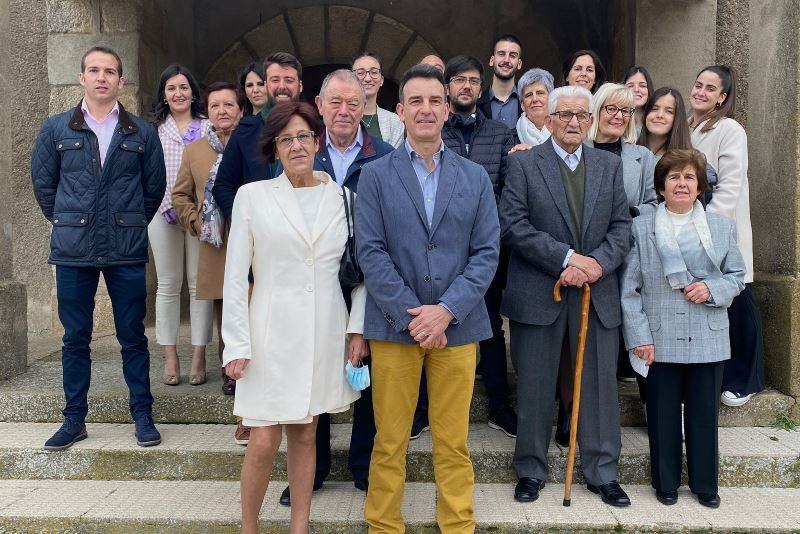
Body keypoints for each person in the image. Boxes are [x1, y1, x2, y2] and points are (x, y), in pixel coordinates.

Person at [357, 64, 500, 533]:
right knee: (390, 439)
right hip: (394, 328)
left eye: (434, 101)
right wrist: (413, 317)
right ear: (400, 112)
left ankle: (458, 525)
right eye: (415, 101)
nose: (426, 109)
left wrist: (446, 311)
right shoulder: (374, 176)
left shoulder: (475, 177)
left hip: (457, 326)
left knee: (453, 441)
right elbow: (371, 253)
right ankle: (383, 525)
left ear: (447, 108)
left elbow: (485, 253)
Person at [222, 101, 368, 534]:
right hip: (268, 332)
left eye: (304, 136)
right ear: (274, 149)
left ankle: (299, 526)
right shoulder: (253, 197)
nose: (296, 146)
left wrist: (356, 328)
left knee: (306, 433)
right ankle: (249, 526)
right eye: (286, 139)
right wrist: (236, 344)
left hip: (325, 329)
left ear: (317, 142)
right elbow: (234, 278)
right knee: (263, 438)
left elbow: (361, 273)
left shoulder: (345, 199)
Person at [499, 85, 632, 506]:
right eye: (564, 115)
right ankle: (531, 470)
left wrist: (595, 264)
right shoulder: (523, 165)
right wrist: (568, 259)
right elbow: (513, 225)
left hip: (596, 290)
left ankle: (601, 470)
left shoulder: (608, 168)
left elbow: (621, 227)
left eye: (581, 115)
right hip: (540, 290)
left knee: (597, 385)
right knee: (536, 384)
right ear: (550, 119)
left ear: (590, 121)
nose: (573, 122)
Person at [31, 46, 165, 450]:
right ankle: (74, 419)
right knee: (75, 337)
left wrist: (124, 220)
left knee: (132, 336)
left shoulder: (140, 132)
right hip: (74, 249)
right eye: (94, 70)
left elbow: (153, 189)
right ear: (82, 77)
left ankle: (142, 414)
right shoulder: (56, 129)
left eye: (110, 71)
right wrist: (70, 220)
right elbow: (44, 185)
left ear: (121, 81)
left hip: (124, 247)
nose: (102, 77)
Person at [272, 69, 394, 507]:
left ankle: (363, 466)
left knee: (366, 380)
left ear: (365, 108)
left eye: (354, 103)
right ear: (319, 106)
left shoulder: (386, 157)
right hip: (309, 288)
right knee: (311, 375)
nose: (344, 111)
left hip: (370, 285)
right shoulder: (300, 151)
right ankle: (314, 469)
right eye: (335, 103)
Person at [621, 148, 745, 508]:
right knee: (661, 416)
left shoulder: (722, 228)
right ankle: (666, 483)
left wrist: (712, 288)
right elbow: (629, 289)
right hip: (658, 337)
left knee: (704, 416)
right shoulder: (642, 227)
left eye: (689, 177)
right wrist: (639, 337)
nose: (681, 183)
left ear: (699, 186)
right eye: (674, 177)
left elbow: (737, 277)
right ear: (661, 188)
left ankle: (705, 485)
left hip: (707, 334)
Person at [436, 54, 517, 438]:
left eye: (472, 81)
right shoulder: (436, 132)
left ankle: (500, 407)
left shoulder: (501, 134)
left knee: (489, 327)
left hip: (488, 250)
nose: (466, 86)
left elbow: (509, 190)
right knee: (437, 325)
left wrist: (489, 234)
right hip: (444, 250)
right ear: (447, 87)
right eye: (459, 80)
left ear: (480, 89)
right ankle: (424, 411)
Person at [689, 65, 764, 407]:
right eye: (698, 85)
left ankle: (746, 379)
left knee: (739, 300)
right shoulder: (689, 128)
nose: (701, 92)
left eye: (710, 89)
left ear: (722, 97)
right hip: (692, 230)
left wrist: (711, 226)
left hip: (723, 229)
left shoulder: (729, 129)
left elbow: (731, 184)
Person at [171, 82, 245, 396]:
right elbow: (180, 195)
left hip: (252, 235)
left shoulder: (254, 143)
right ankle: (229, 369)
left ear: (241, 110)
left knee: (252, 300)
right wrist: (197, 221)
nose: (222, 111)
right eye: (215, 106)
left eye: (229, 105)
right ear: (208, 112)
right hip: (216, 240)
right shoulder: (195, 151)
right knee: (225, 306)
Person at [149, 64, 213, 387]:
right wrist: (165, 205)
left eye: (184, 87)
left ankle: (199, 355)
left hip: (199, 215)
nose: (178, 93)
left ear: (193, 92)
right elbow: (146, 173)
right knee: (168, 285)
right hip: (161, 214)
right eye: (171, 88)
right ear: (164, 93)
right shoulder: (154, 129)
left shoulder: (207, 126)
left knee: (198, 285)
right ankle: (171, 354)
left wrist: (196, 211)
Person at [213, 52, 303, 220]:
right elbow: (223, 187)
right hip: (260, 236)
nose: (282, 86)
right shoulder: (244, 132)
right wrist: (247, 222)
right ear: (267, 85)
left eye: (289, 80)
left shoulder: (316, 129)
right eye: (275, 80)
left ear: (300, 85)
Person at [588, 83, 657, 217]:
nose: (619, 116)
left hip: (626, 234)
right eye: (612, 109)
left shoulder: (644, 157)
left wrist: (632, 213)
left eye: (625, 110)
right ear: (596, 111)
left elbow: (656, 204)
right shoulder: (575, 151)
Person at [351, 52, 405, 147]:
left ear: (381, 80)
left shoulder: (394, 121)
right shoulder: (342, 117)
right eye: (360, 73)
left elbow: (394, 158)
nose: (367, 78)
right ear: (351, 79)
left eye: (374, 72)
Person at [476, 34, 523, 127]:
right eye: (501, 54)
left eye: (512, 56)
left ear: (519, 64)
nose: (506, 60)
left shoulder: (528, 102)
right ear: (492, 60)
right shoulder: (476, 104)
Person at [637, 87, 692, 157]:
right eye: (654, 109)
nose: (660, 115)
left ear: (678, 118)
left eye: (669, 111)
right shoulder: (629, 141)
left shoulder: (686, 160)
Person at [515, 68, 555, 146]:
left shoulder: (564, 132)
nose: (535, 99)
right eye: (529, 95)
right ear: (522, 105)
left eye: (540, 93)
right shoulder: (512, 138)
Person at [623, 66, 654, 135]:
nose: (636, 90)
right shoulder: (616, 119)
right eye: (630, 86)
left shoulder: (656, 119)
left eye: (642, 86)